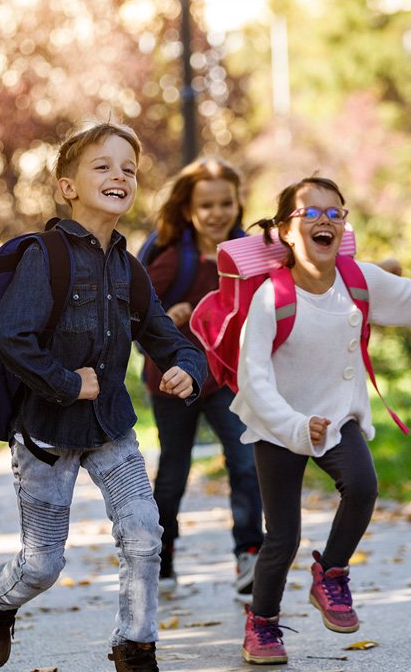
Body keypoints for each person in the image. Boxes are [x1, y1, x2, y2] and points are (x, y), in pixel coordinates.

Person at [0, 122, 207, 672]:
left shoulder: (129, 267)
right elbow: (11, 337)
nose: (119, 175)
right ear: (67, 187)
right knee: (42, 565)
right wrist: (67, 381)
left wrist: (187, 370)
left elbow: (168, 340)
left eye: (129, 168)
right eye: (103, 166)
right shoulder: (45, 256)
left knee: (145, 532)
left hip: (111, 428)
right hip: (46, 435)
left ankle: (135, 646)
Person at [230, 177, 411, 665]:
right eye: (310, 213)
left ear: (345, 223)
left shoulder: (358, 281)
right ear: (286, 231)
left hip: (337, 416)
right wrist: (291, 425)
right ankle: (262, 624)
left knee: (364, 485)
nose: (324, 220)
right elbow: (254, 379)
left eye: (335, 212)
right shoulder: (271, 298)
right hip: (279, 425)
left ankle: (331, 573)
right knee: (282, 537)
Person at [142, 157, 264, 597]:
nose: (217, 213)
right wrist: (167, 317)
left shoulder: (250, 252)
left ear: (238, 203)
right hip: (174, 379)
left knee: (246, 461)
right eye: (206, 204)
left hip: (227, 379)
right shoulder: (176, 258)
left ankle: (249, 553)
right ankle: (163, 555)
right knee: (174, 470)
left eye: (225, 203)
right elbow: (136, 310)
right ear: (189, 208)